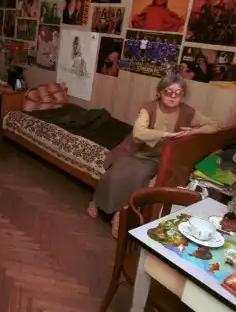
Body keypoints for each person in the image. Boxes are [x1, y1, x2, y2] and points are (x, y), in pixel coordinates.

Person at [87, 75, 219, 237]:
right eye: (168, 91)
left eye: (178, 92)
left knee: (140, 176)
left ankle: (120, 215)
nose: (173, 96)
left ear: (183, 95)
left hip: (162, 157)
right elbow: (138, 132)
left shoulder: (187, 111)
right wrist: (165, 134)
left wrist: (193, 131)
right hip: (138, 151)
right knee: (116, 173)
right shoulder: (149, 108)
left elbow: (214, 126)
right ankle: (97, 201)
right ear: (159, 93)